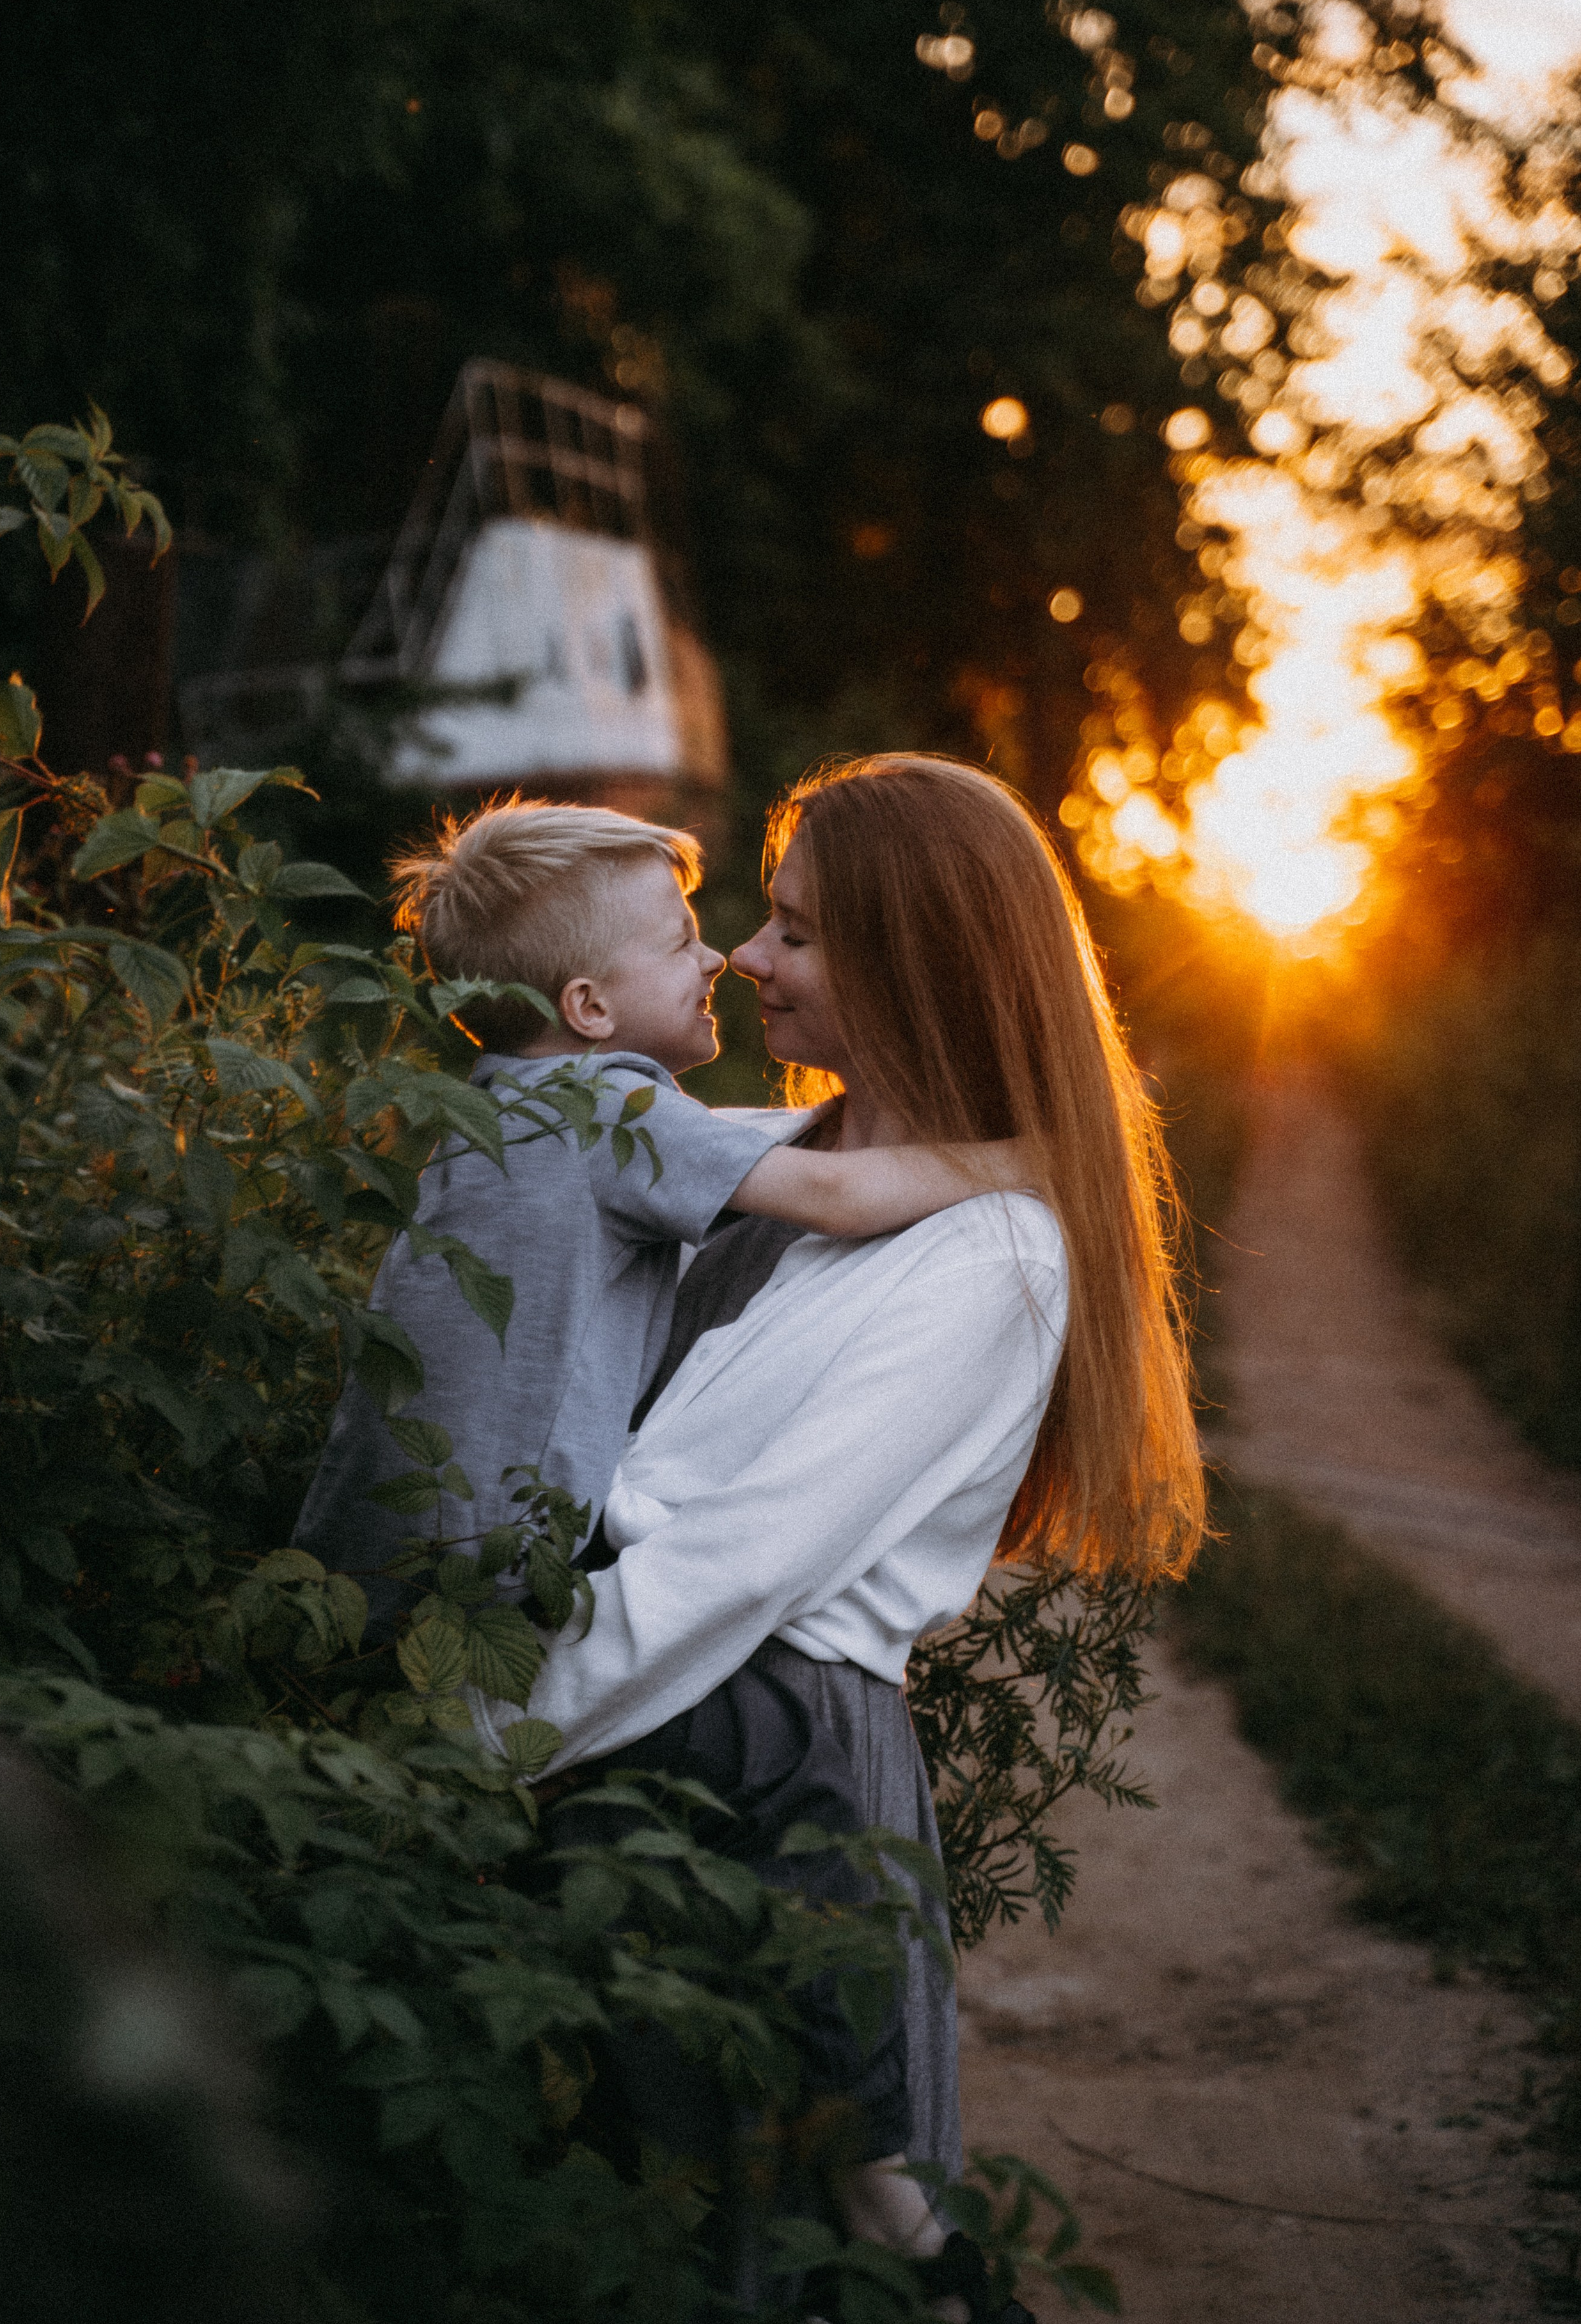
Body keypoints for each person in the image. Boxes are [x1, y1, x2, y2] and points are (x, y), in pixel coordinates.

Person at [474, 755, 1206, 2323]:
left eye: (795, 933)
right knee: (654, 2234)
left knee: (786, 2256)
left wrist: (459, 1738)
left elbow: (728, 1568)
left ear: (911, 966)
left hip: (766, 1775)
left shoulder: (994, 1259)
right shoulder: (787, 1189)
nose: (743, 958)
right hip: (641, 1743)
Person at [294, 796, 1024, 1627]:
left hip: (361, 1559)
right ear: (589, 1009)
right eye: (680, 943)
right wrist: (1037, 1158)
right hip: (488, 1574)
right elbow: (836, 1194)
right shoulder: (606, 1109)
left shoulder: (498, 1117)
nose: (718, 959)